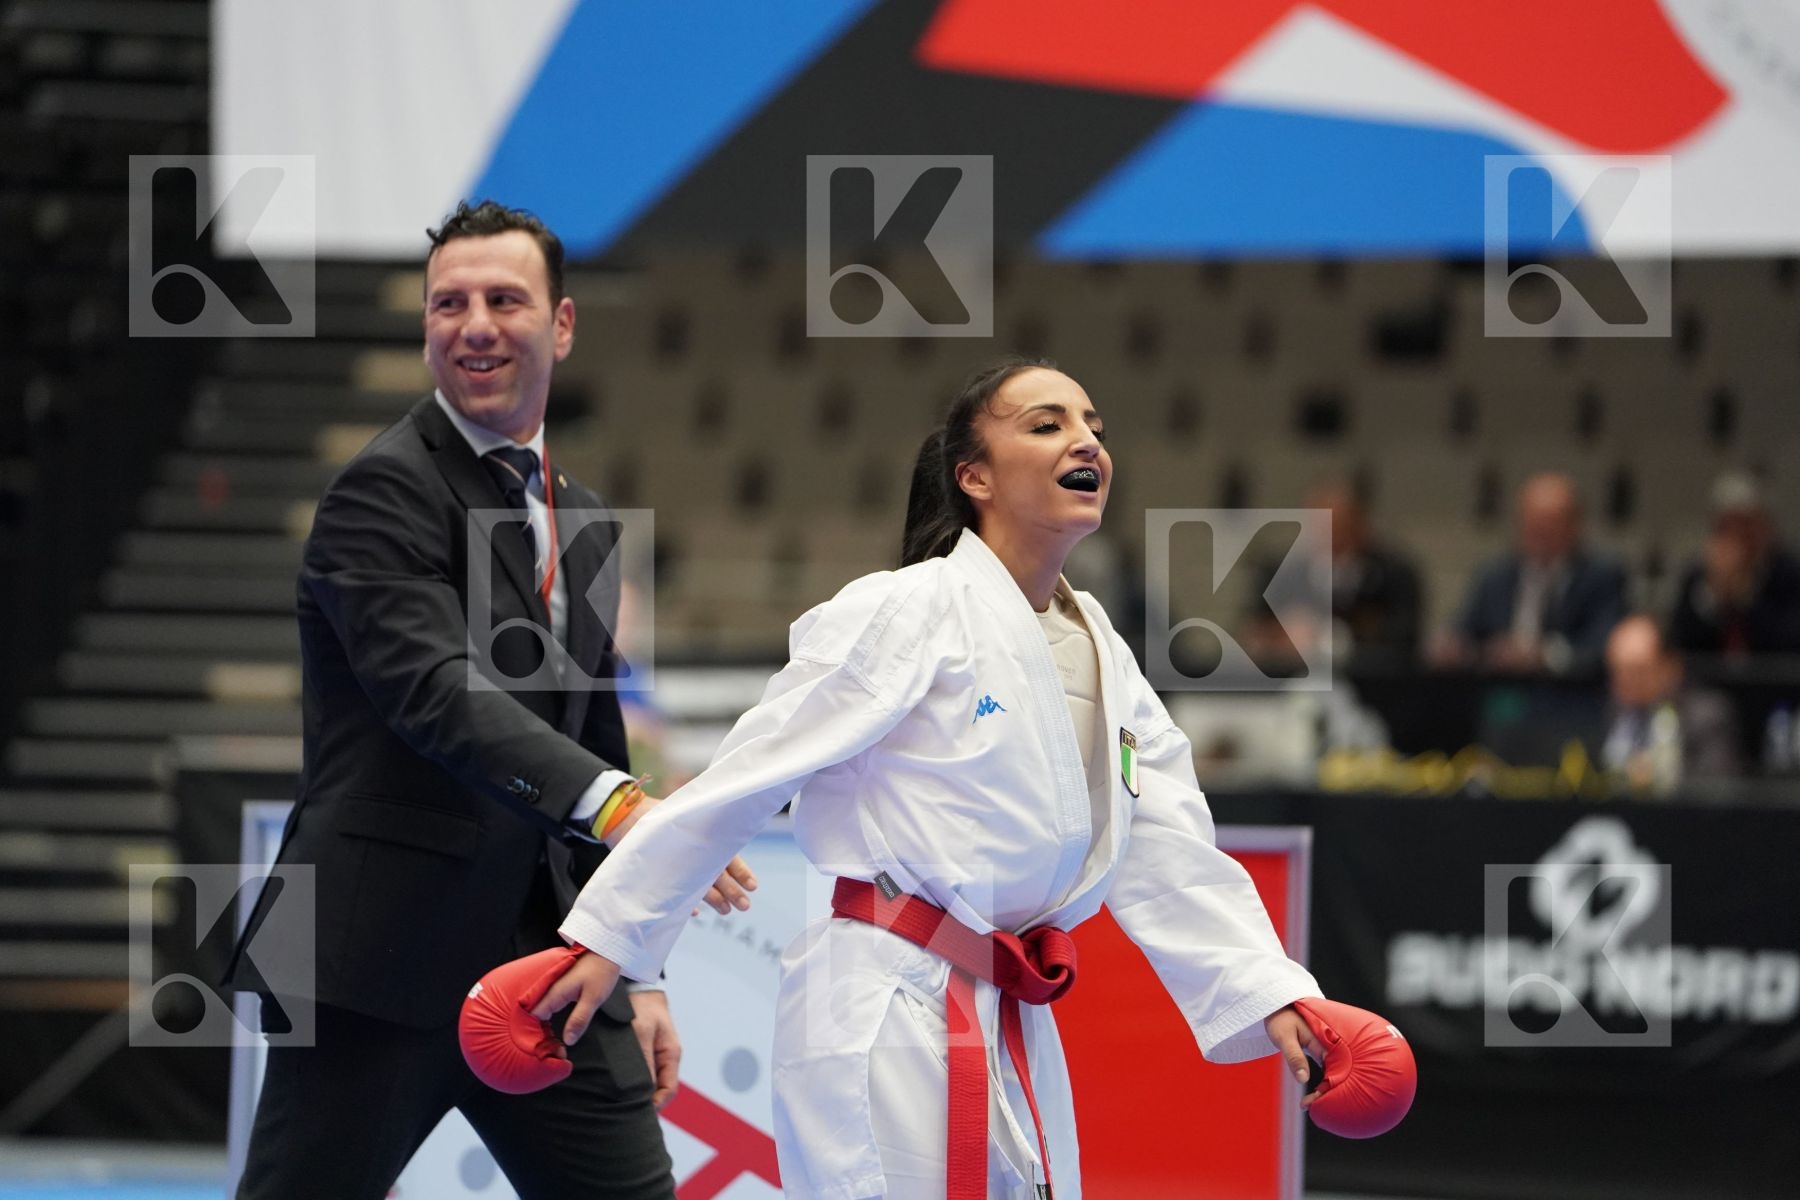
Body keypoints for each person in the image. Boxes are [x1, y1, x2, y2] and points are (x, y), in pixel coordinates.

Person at [527, 358, 1331, 1199]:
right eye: (1047, 424)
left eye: (1093, 426)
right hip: (884, 1000)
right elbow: (749, 773)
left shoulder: (1099, 644)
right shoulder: (905, 607)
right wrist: (612, 940)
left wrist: (1274, 992)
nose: (1086, 441)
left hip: (1006, 1007)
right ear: (973, 476)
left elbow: (1166, 844)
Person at [222, 200, 752, 1200]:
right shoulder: (381, 491)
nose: (474, 325)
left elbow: (594, 734)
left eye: (505, 300)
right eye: (448, 304)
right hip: (378, 959)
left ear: (562, 324)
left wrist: (637, 965)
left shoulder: (584, 519)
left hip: (554, 967)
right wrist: (622, 807)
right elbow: (436, 693)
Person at [1433, 471, 1625, 675]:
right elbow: (1465, 629)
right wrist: (1452, 645)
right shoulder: (1495, 575)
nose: (1539, 531)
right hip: (1497, 685)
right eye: (1531, 521)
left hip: (1567, 688)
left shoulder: (1602, 576)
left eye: (1549, 522)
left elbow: (1603, 648)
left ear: (1574, 525)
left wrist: (1544, 655)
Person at [1239, 479, 1423, 673]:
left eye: (1338, 523)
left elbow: (1404, 640)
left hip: (1370, 681)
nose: (1327, 532)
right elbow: (1250, 633)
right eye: (1319, 522)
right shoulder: (1279, 573)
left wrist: (1330, 636)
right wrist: (1280, 635)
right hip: (1292, 680)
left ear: (1360, 524)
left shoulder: (1395, 574)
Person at [1599, 613, 1742, 787]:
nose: (1624, 681)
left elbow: (1717, 789)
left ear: (1671, 666)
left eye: (1637, 671)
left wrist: (1652, 776)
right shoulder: (1618, 711)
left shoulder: (1707, 716)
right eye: (1617, 671)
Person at [1668, 470, 1800, 659]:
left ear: (1764, 526)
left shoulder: (1789, 574)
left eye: (1745, 526)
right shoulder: (1696, 575)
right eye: (1726, 526)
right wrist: (1714, 593)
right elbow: (1683, 644)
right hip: (1708, 676)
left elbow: (1787, 645)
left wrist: (1744, 596)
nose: (1736, 536)